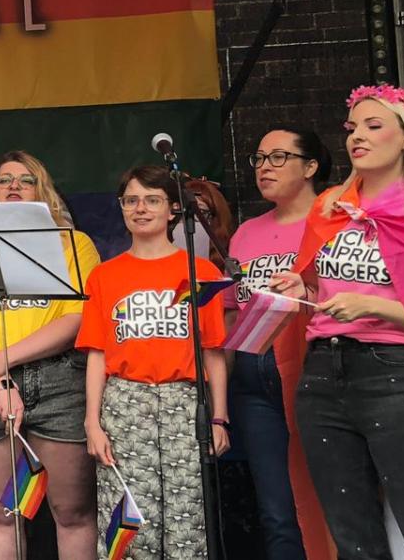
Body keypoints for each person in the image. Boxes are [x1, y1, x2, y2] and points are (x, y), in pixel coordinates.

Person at [268, 85, 404, 558]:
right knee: (353, 540)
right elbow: (320, 290)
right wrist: (298, 289)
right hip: (323, 376)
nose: (356, 138)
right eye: (352, 128)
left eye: (373, 126)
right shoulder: (330, 207)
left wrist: (374, 307)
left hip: (398, 375)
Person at [0, 150, 102, 559]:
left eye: (26, 179)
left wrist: (5, 360)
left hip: (59, 380)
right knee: (1, 513)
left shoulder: (73, 243)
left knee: (72, 512)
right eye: (4, 179)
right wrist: (0, 382)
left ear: (43, 190)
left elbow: (76, 319)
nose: (14, 186)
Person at [77, 165, 231, 559]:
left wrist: (219, 418)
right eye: (131, 200)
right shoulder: (104, 276)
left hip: (183, 403)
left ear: (173, 209)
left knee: (186, 520)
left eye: (152, 200)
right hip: (125, 403)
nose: (140, 208)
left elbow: (213, 351)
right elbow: (97, 353)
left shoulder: (201, 273)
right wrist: (92, 422)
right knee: (129, 518)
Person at [220, 127, 327, 560]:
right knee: (275, 509)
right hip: (253, 376)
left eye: (278, 157)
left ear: (311, 166)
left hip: (311, 368)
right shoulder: (244, 233)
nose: (264, 167)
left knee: (328, 495)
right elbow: (231, 311)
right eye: (259, 158)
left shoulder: (332, 220)